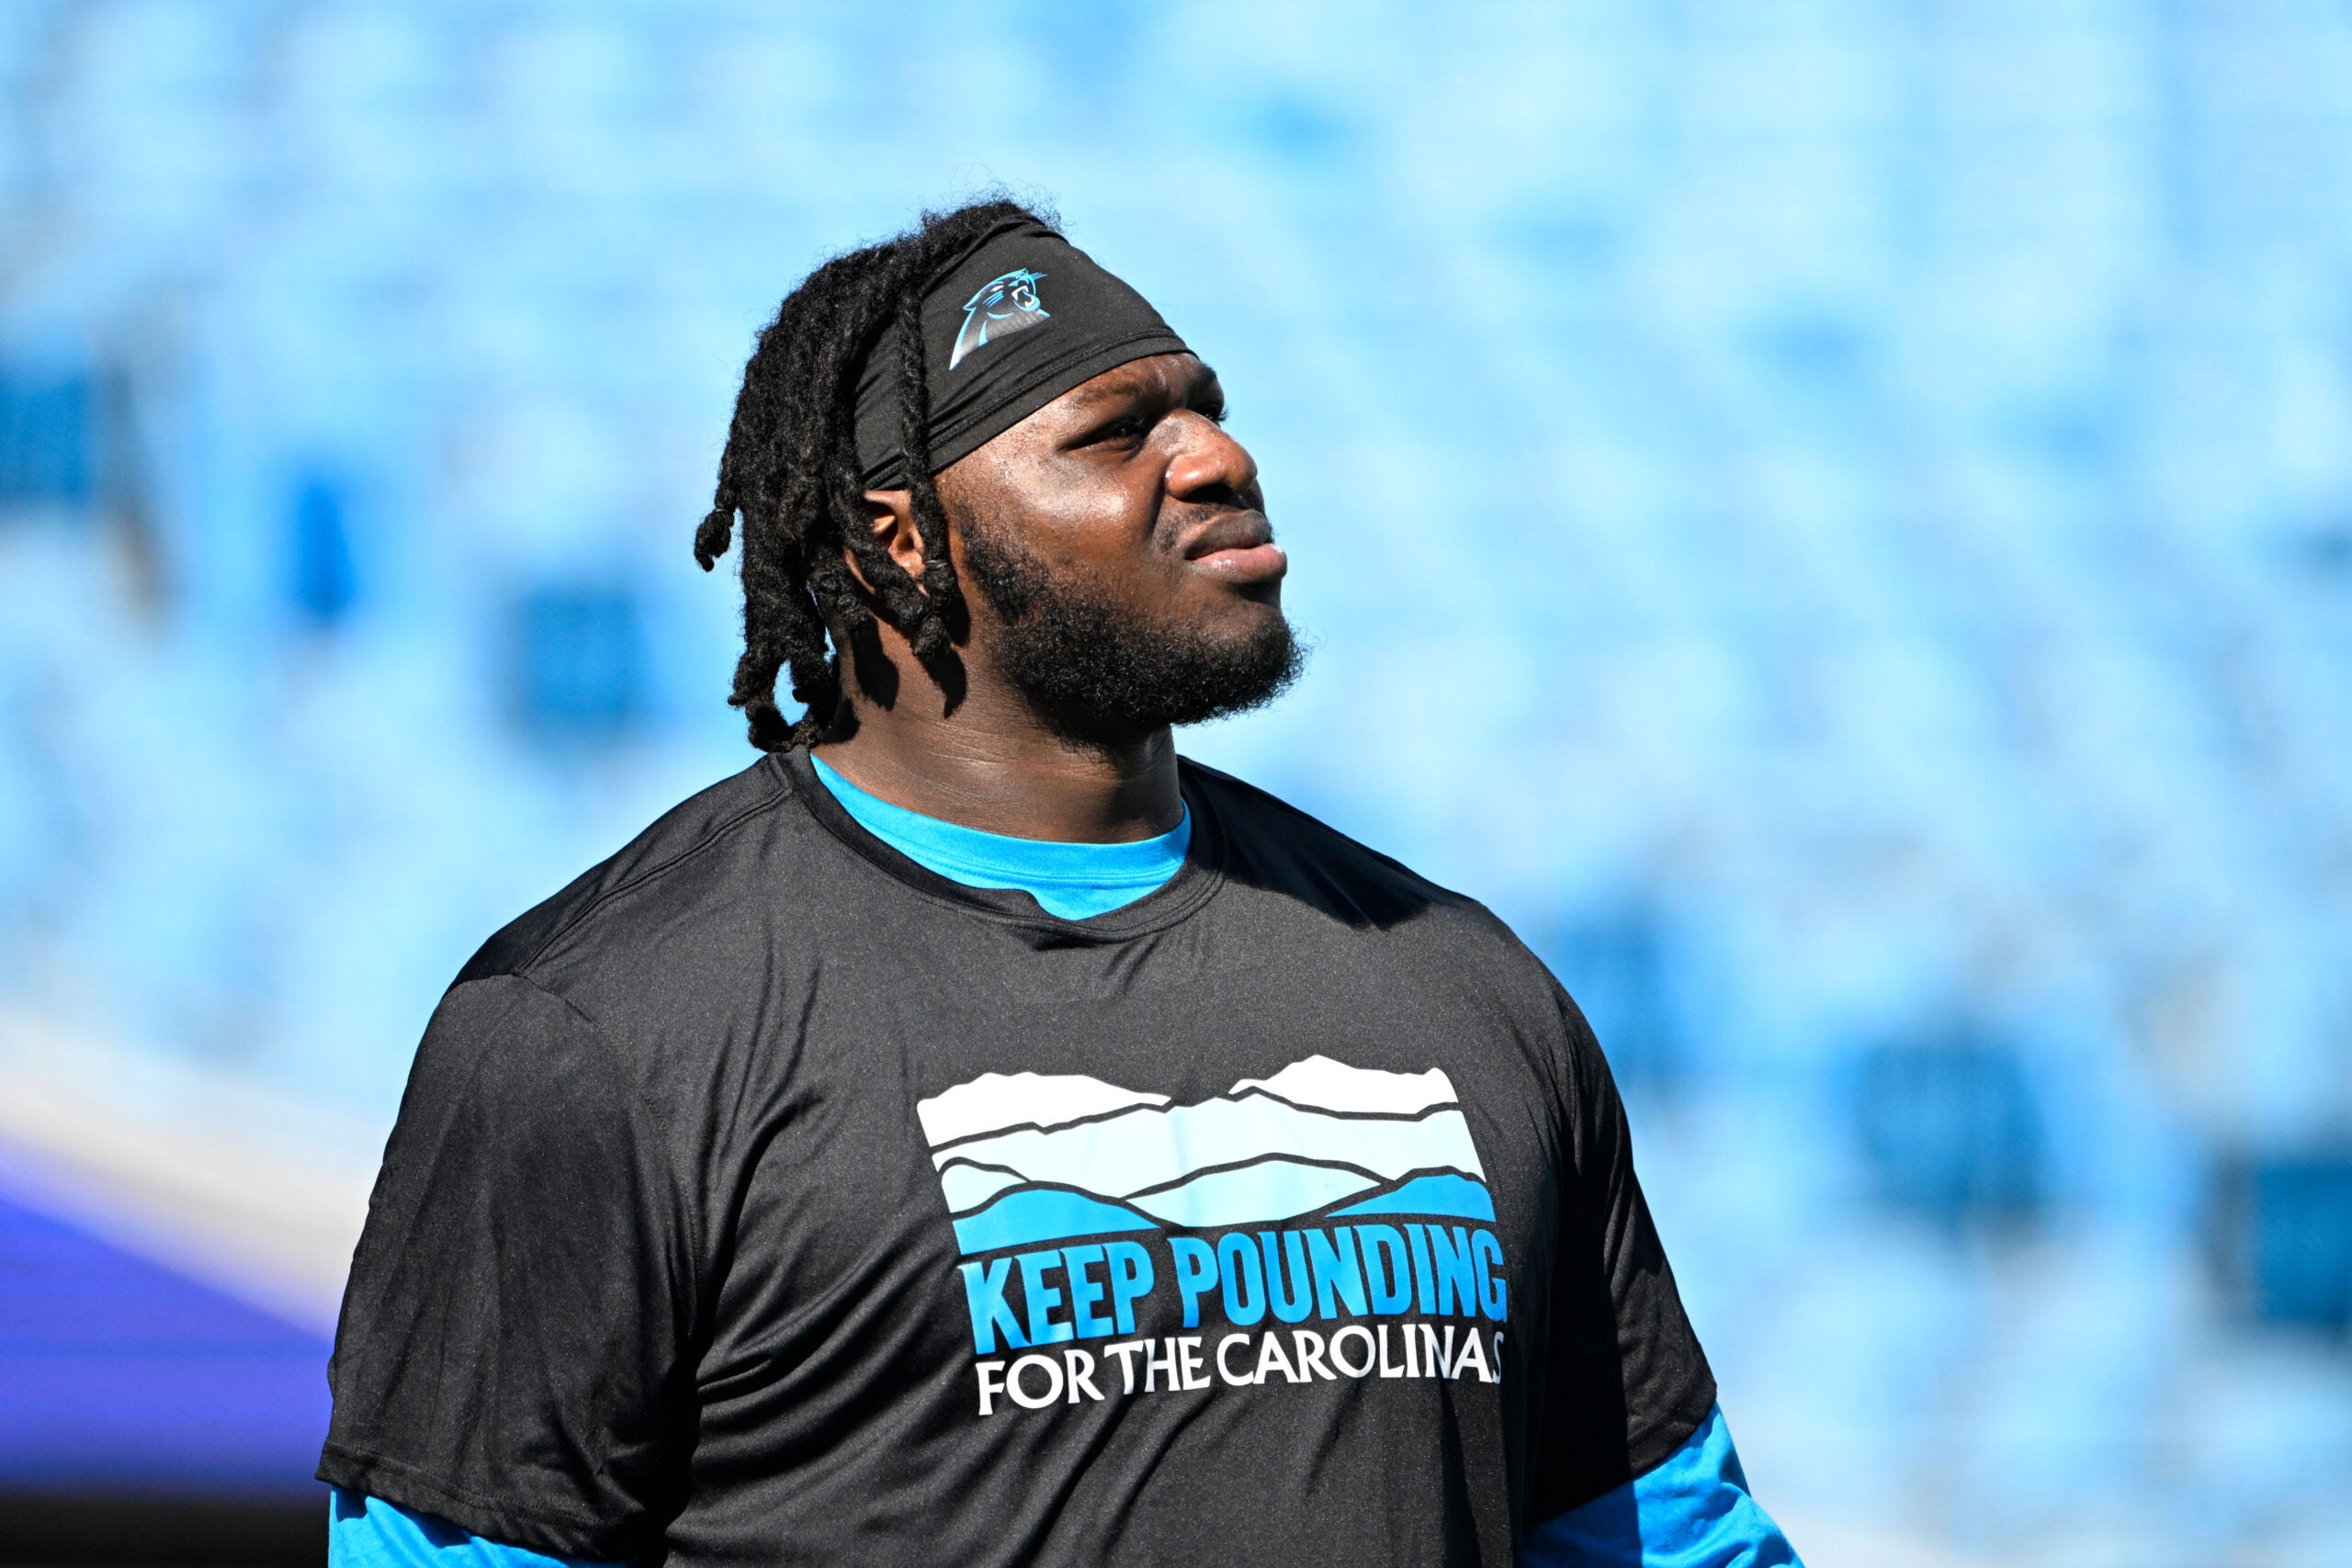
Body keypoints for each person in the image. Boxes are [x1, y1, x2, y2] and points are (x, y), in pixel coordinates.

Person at [319, 198, 1800, 1568]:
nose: (1215, 457)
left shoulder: (1461, 987)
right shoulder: (602, 1032)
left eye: (1206, 409)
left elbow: (1665, 1539)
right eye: (1114, 432)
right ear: (900, 537)